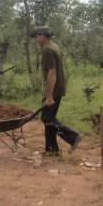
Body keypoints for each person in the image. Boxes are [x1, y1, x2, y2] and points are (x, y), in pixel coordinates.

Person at [32, 27, 81, 156]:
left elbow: (52, 72)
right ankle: (52, 150)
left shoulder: (48, 49)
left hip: (54, 90)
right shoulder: (53, 46)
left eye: (38, 35)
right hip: (56, 88)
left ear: (43, 36)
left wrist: (49, 96)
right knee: (49, 118)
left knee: (47, 117)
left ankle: (73, 137)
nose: (37, 38)